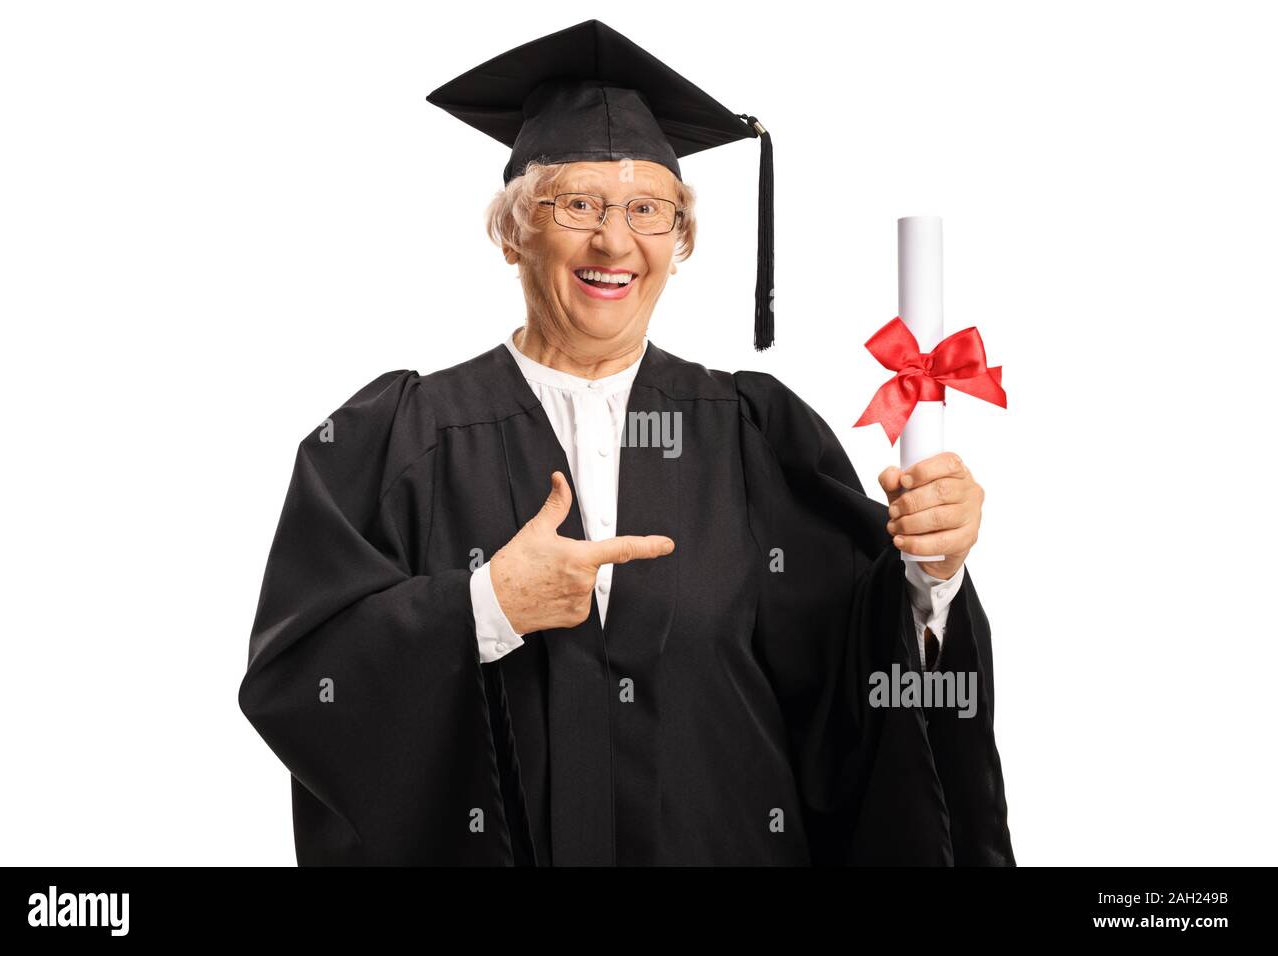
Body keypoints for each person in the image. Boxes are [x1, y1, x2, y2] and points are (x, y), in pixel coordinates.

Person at [237, 19, 1014, 866]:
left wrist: (931, 577)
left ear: (677, 244)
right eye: (577, 204)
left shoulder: (752, 435)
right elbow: (300, 680)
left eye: (649, 209)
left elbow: (858, 690)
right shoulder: (402, 440)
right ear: (510, 232)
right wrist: (484, 606)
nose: (615, 241)